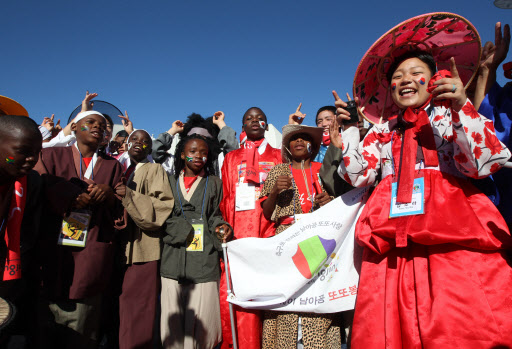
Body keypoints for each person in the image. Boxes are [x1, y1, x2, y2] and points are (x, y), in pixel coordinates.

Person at [335, 29, 512, 347]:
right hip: (391, 241)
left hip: (449, 232)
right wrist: (350, 131)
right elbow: (356, 175)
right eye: (398, 76)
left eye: (416, 73)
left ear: (433, 80)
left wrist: (461, 105)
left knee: (458, 324)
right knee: (388, 327)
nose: (404, 80)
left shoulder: (449, 116)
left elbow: (482, 163)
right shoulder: (381, 131)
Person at [34, 110, 124, 348]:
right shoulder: (50, 154)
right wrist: (69, 196)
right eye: (90, 122)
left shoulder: (112, 166)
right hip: (52, 251)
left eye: (103, 125)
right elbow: (39, 184)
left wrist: (110, 196)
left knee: (83, 331)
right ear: (74, 128)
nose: (98, 127)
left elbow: (122, 202)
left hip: (90, 252)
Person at [259, 124, 339, 349]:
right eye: (294, 139)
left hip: (319, 238)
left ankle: (319, 343)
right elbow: (266, 213)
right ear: (287, 146)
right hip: (286, 239)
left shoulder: (322, 169)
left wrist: (329, 202)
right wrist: (274, 190)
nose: (299, 142)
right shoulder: (278, 170)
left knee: (317, 292)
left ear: (312, 145)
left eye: (304, 138)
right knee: (288, 294)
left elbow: (340, 205)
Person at [160, 134, 232, 349]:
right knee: (171, 326)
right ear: (182, 154)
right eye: (192, 152)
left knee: (203, 327)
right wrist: (182, 229)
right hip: (173, 261)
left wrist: (222, 228)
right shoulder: (168, 182)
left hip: (204, 261)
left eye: (203, 152)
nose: (198, 156)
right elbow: (160, 214)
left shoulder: (214, 183)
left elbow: (216, 215)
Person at [218, 106, 281, 349]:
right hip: (238, 237)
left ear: (266, 124)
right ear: (242, 126)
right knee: (236, 297)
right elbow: (226, 198)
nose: (255, 121)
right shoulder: (232, 158)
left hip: (269, 235)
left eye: (260, 118)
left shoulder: (278, 156)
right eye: (249, 119)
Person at [117, 130, 174, 349]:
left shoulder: (154, 169)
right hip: (114, 245)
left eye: (145, 141)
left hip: (142, 247)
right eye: (134, 139)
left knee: (138, 306)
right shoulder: (116, 167)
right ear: (126, 144)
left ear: (151, 149)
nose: (139, 143)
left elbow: (163, 206)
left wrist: (129, 195)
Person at [0, 115, 43, 348]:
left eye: (36, 153)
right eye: (22, 151)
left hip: (9, 284)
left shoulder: (31, 182)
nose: (31, 159)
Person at [152, 112, 239, 176]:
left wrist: (221, 124)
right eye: (193, 150)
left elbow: (233, 151)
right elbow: (156, 151)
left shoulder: (219, 163)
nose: (197, 155)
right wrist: (172, 131)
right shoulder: (175, 165)